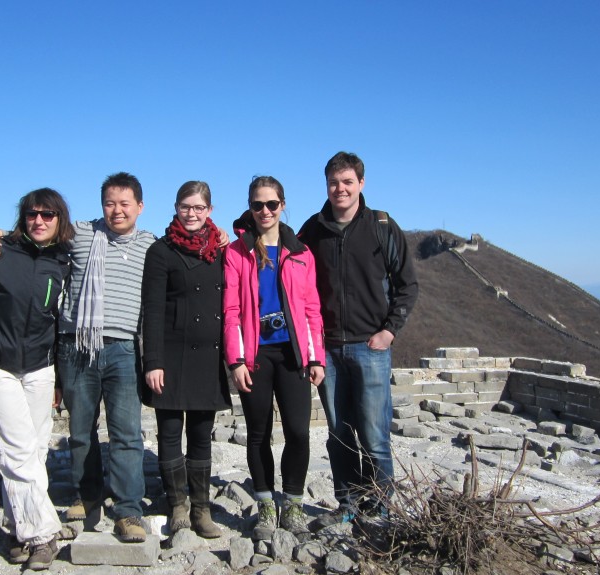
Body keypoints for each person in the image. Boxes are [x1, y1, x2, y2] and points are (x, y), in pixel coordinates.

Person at [0, 172, 156, 543]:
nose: (117, 210)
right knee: (80, 431)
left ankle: (128, 511)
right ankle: (87, 497)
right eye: (110, 202)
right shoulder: (79, 235)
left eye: (125, 203)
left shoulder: (150, 246)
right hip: (74, 345)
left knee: (126, 434)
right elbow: (34, 234)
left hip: (124, 348)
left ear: (140, 207)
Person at [298, 151, 419, 527]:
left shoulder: (382, 226)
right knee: (338, 431)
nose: (341, 189)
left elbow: (407, 284)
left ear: (361, 184)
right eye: (334, 182)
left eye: (348, 182)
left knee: (373, 431)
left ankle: (381, 503)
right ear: (326, 185)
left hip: (371, 346)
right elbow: (287, 264)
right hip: (328, 348)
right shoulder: (312, 229)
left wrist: (389, 331)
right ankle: (348, 502)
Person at [0, 188, 74, 571]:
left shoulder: (64, 261)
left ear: (59, 219)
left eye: (48, 215)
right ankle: (44, 535)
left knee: (33, 451)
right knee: (15, 449)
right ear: (23, 216)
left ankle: (16, 527)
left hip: (41, 367)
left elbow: (62, 323)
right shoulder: (0, 253)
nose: (39, 221)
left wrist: (60, 380)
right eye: (33, 214)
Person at [223, 175, 325, 539]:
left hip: (293, 353)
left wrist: (316, 358)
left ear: (283, 206)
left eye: (272, 204)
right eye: (257, 205)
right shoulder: (237, 252)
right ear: (250, 208)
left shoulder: (300, 253)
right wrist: (235, 361)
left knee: (299, 432)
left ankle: (293, 504)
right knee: (258, 433)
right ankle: (266, 504)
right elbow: (231, 310)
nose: (265, 211)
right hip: (256, 355)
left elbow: (312, 308)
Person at [140, 181, 231, 538]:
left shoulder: (222, 250)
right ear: (175, 208)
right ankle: (178, 504)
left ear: (209, 210)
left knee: (200, 434)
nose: (191, 214)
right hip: (171, 354)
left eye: (198, 207)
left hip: (209, 357)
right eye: (185, 207)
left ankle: (202, 507)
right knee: (169, 432)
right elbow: (152, 310)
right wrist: (153, 361)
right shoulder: (161, 251)